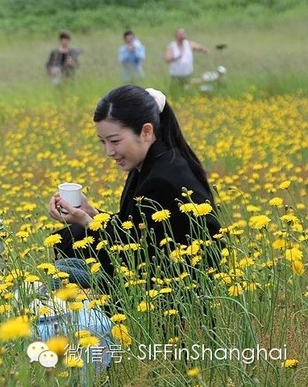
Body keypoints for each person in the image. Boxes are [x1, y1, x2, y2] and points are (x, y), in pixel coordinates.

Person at [46, 85, 222, 298]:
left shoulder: (163, 178)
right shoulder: (150, 163)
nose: (109, 151)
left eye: (115, 141)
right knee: (66, 246)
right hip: (151, 274)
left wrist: (86, 221)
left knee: (61, 272)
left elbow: (138, 255)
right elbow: (135, 230)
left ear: (146, 131)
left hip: (174, 293)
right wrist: (91, 212)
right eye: (103, 142)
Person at [165, 28, 208, 96]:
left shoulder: (189, 44)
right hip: (175, 75)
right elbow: (167, 59)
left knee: (187, 90)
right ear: (176, 36)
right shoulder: (172, 46)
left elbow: (200, 47)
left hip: (187, 74)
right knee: (175, 91)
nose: (182, 36)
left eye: (183, 34)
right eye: (180, 34)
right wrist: (176, 58)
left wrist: (203, 49)